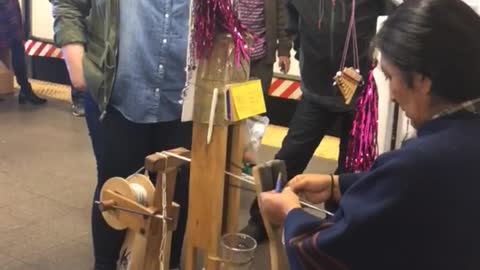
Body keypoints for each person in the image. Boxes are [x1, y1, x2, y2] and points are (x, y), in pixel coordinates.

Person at [259, 0, 480, 268]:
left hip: (350, 99)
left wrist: (290, 214)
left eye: (389, 77)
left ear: (423, 80)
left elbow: (333, 251)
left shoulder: (419, 163)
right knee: (293, 150)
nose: (393, 97)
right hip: (316, 93)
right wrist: (338, 184)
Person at [52, 1, 191, 269]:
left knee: (175, 195)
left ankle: (166, 264)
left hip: (182, 100)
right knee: (117, 189)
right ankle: (105, 264)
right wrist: (74, 57)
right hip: (117, 95)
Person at [241, 0, 388, 242]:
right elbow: (292, 22)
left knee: (351, 169)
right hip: (316, 92)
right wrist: (303, 55)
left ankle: (337, 226)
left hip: (359, 94)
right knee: (289, 158)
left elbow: (394, 18)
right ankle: (260, 219)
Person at [236, 0, 292, 94]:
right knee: (232, 105)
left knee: (258, 104)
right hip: (235, 59)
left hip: (262, 59)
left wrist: (284, 51)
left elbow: (282, 18)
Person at [0, 0, 47, 105]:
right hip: (7, 9)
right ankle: (25, 90)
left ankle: (25, 90)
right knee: (17, 48)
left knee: (17, 48)